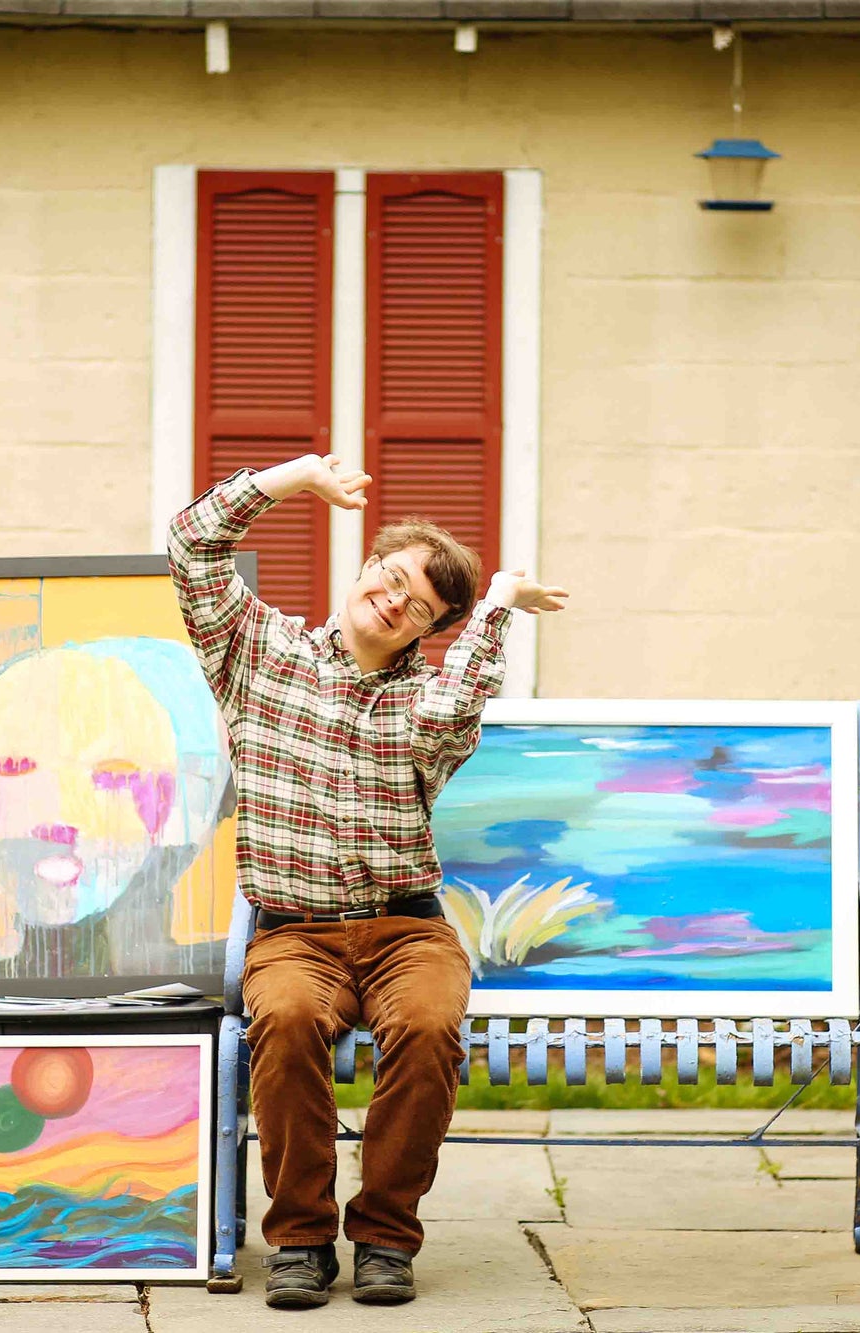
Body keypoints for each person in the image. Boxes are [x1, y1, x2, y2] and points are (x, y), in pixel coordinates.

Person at [167, 453, 568, 1309]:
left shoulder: (425, 700)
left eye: (416, 604)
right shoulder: (255, 651)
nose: (391, 599)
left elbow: (461, 702)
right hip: (293, 932)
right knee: (283, 1020)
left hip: (405, 929)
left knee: (427, 1027)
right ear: (362, 572)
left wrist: (494, 606)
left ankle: (386, 1234)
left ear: (427, 629)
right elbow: (193, 545)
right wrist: (296, 477)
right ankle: (302, 1238)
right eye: (389, 578)